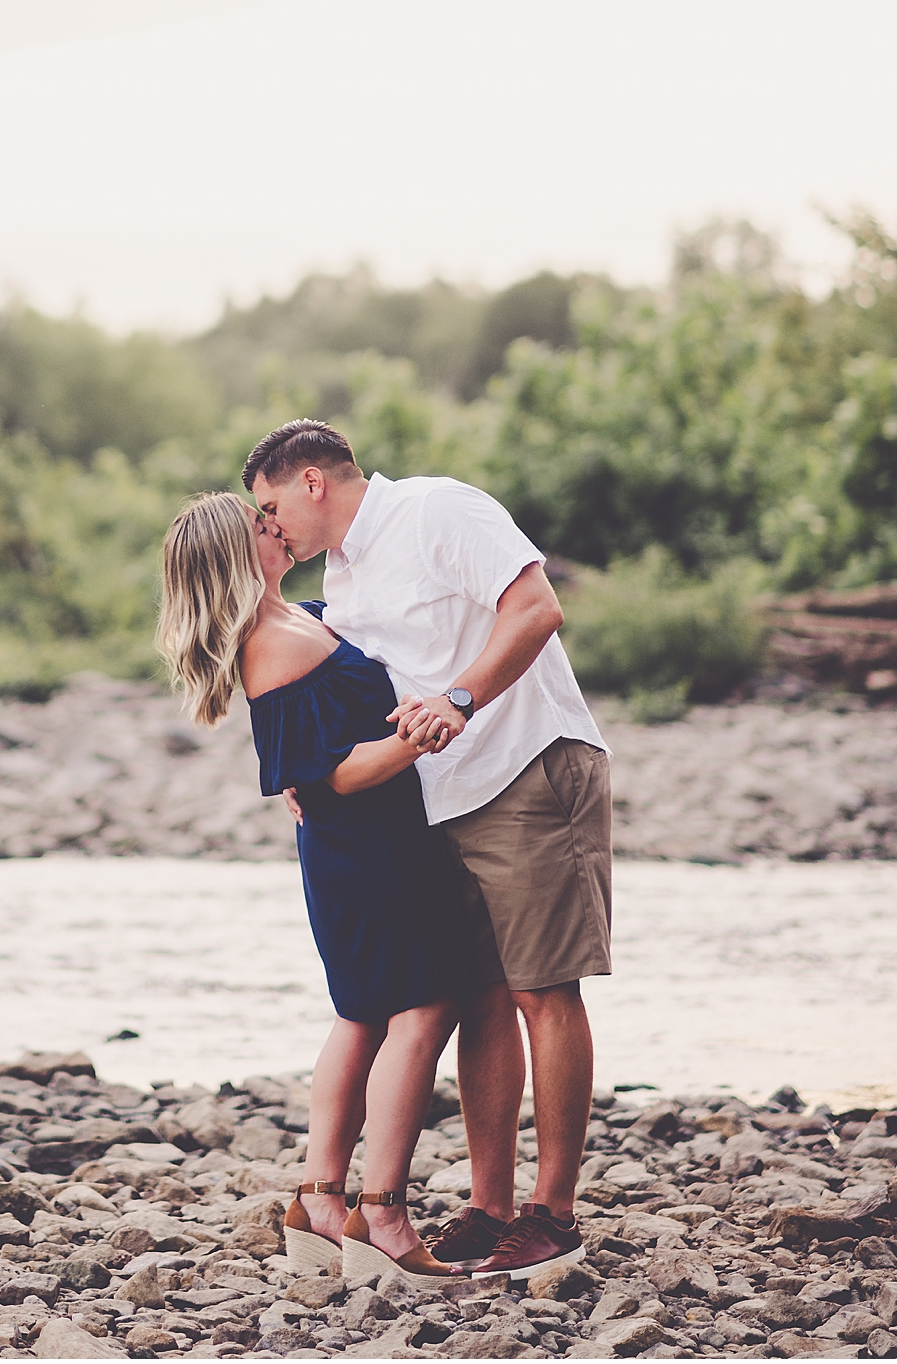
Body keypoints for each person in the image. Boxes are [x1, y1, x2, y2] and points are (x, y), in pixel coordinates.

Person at [244, 419, 610, 1281]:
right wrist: (306, 768)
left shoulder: (439, 511)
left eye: (269, 506)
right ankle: (488, 1211)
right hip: (441, 799)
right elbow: (332, 683)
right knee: (479, 993)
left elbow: (538, 609)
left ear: (312, 482)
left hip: (527, 766)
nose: (269, 528)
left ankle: (552, 1214)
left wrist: (460, 698)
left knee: (542, 989)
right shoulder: (341, 577)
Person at [158, 491, 487, 1286]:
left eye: (270, 519)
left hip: (371, 842)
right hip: (367, 845)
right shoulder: (268, 642)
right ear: (237, 558)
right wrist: (419, 734)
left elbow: (308, 756)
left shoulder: (298, 615)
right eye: (261, 529)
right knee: (426, 1004)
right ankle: (382, 1212)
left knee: (365, 1011)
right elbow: (327, 774)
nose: (278, 531)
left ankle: (317, 1197)